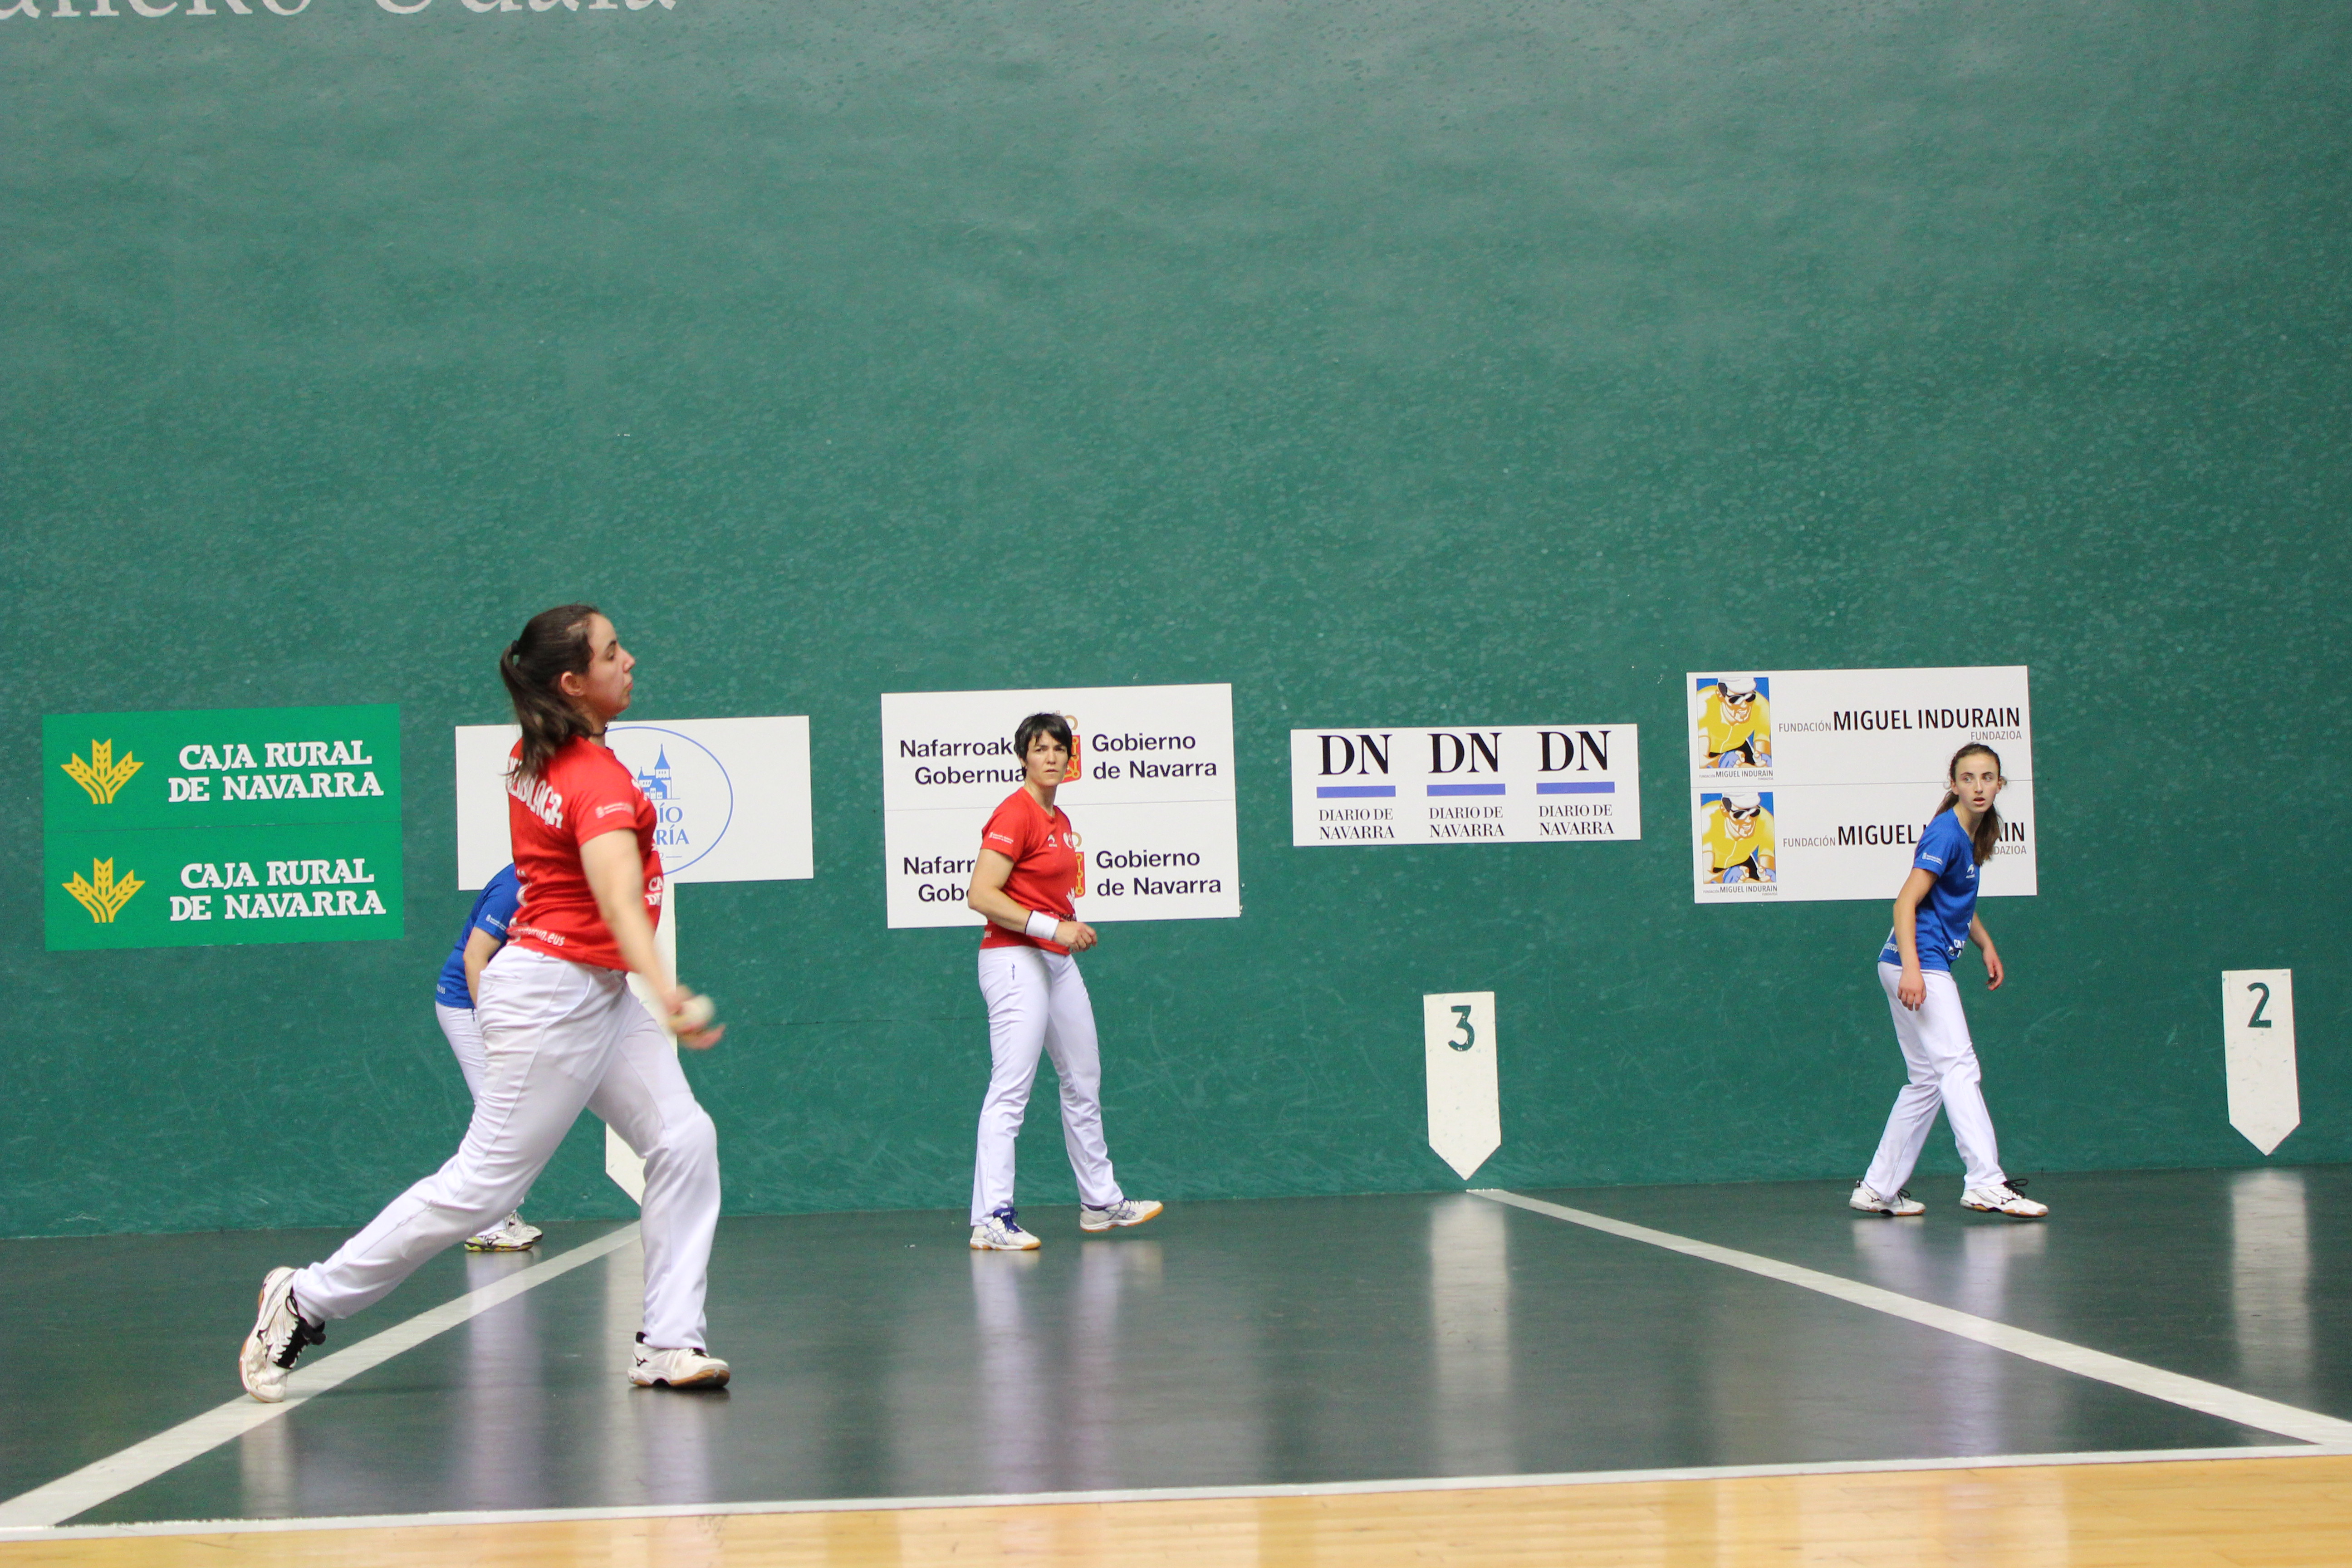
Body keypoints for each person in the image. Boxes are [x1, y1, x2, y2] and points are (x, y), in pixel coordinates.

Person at [240, 604, 732, 1401]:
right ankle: (303, 1297)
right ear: (573, 682)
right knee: (483, 1189)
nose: (630, 659)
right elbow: (612, 893)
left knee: (684, 1139)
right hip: (553, 996)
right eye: (613, 653)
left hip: (588, 990)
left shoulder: (540, 749)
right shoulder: (593, 777)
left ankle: (668, 1344)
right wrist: (667, 989)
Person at [962, 711, 1161, 1250]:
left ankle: (1100, 1203)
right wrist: (1056, 926)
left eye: (1058, 749)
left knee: (1083, 1078)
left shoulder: (1060, 819)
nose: (1050, 757)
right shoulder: (1015, 813)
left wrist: (1061, 930)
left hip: (1054, 961)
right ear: (1023, 756)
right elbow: (982, 894)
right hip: (1012, 957)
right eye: (1039, 748)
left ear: (1070, 759)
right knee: (1011, 1089)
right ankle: (991, 1218)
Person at [1849, 743, 2047, 1219]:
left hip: (1903, 962)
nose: (1979, 787)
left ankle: (1878, 1187)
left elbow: (1957, 900)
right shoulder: (1946, 834)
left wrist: (1986, 944)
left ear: (2000, 784)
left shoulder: (1972, 833)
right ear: (1953, 784)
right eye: (1969, 778)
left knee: (1927, 1081)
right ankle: (1985, 1181)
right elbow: (1905, 904)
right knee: (1959, 1066)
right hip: (1916, 963)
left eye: (1987, 778)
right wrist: (1915, 968)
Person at [432, 861, 541, 1253]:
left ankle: (503, 1211)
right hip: (467, 1006)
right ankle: (486, 1222)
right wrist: (492, 1023)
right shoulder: (513, 887)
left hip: (501, 1007)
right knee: (497, 1113)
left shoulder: (558, 880)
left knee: (517, 1112)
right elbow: (475, 958)